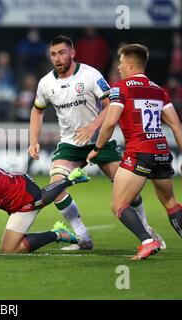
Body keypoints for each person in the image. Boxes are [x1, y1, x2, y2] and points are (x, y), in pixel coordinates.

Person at [28, 35, 164, 250]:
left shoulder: (91, 75)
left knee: (129, 191)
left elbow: (111, 104)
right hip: (70, 144)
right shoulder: (46, 83)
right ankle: (83, 237)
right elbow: (37, 110)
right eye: (53, 54)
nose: (57, 58)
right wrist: (33, 140)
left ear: (72, 53)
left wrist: (93, 127)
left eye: (62, 53)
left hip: (101, 141)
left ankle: (146, 230)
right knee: (56, 186)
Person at [87, 44, 182, 260]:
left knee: (119, 204)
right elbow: (176, 126)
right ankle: (150, 240)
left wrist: (97, 148)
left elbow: (110, 123)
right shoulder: (159, 90)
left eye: (121, 63)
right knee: (171, 203)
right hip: (160, 151)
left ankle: (147, 241)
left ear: (130, 64)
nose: (119, 67)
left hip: (139, 151)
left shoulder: (121, 89)